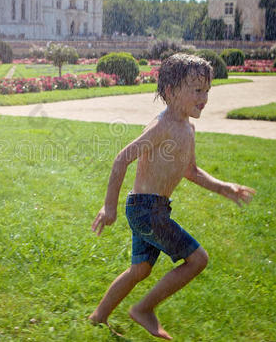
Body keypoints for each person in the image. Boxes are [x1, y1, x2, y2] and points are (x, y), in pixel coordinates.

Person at [89, 54, 256, 340]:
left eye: (207, 91)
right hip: (146, 210)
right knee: (197, 260)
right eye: (196, 90)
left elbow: (190, 171)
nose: (204, 98)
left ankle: (98, 316)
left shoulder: (188, 128)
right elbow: (121, 160)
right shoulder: (162, 126)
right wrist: (108, 207)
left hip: (153, 209)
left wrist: (224, 187)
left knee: (139, 270)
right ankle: (143, 309)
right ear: (171, 92)